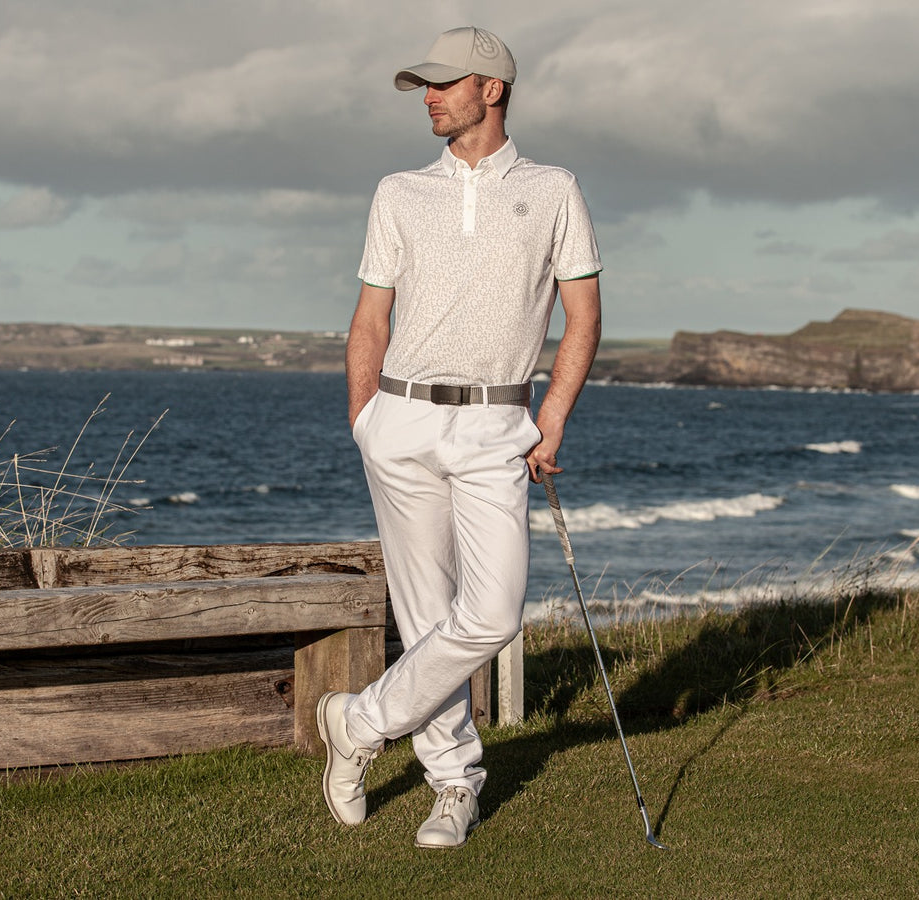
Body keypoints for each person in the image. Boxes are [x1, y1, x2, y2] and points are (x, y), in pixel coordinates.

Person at [317, 25, 602, 849]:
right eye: (425, 86)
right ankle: (453, 783)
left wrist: (551, 418)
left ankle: (359, 722)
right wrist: (365, 417)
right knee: (427, 610)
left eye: (445, 84)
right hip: (400, 420)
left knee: (490, 613)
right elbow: (370, 316)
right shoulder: (398, 192)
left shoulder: (553, 188)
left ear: (494, 89)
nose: (431, 97)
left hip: (494, 424)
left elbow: (581, 316)